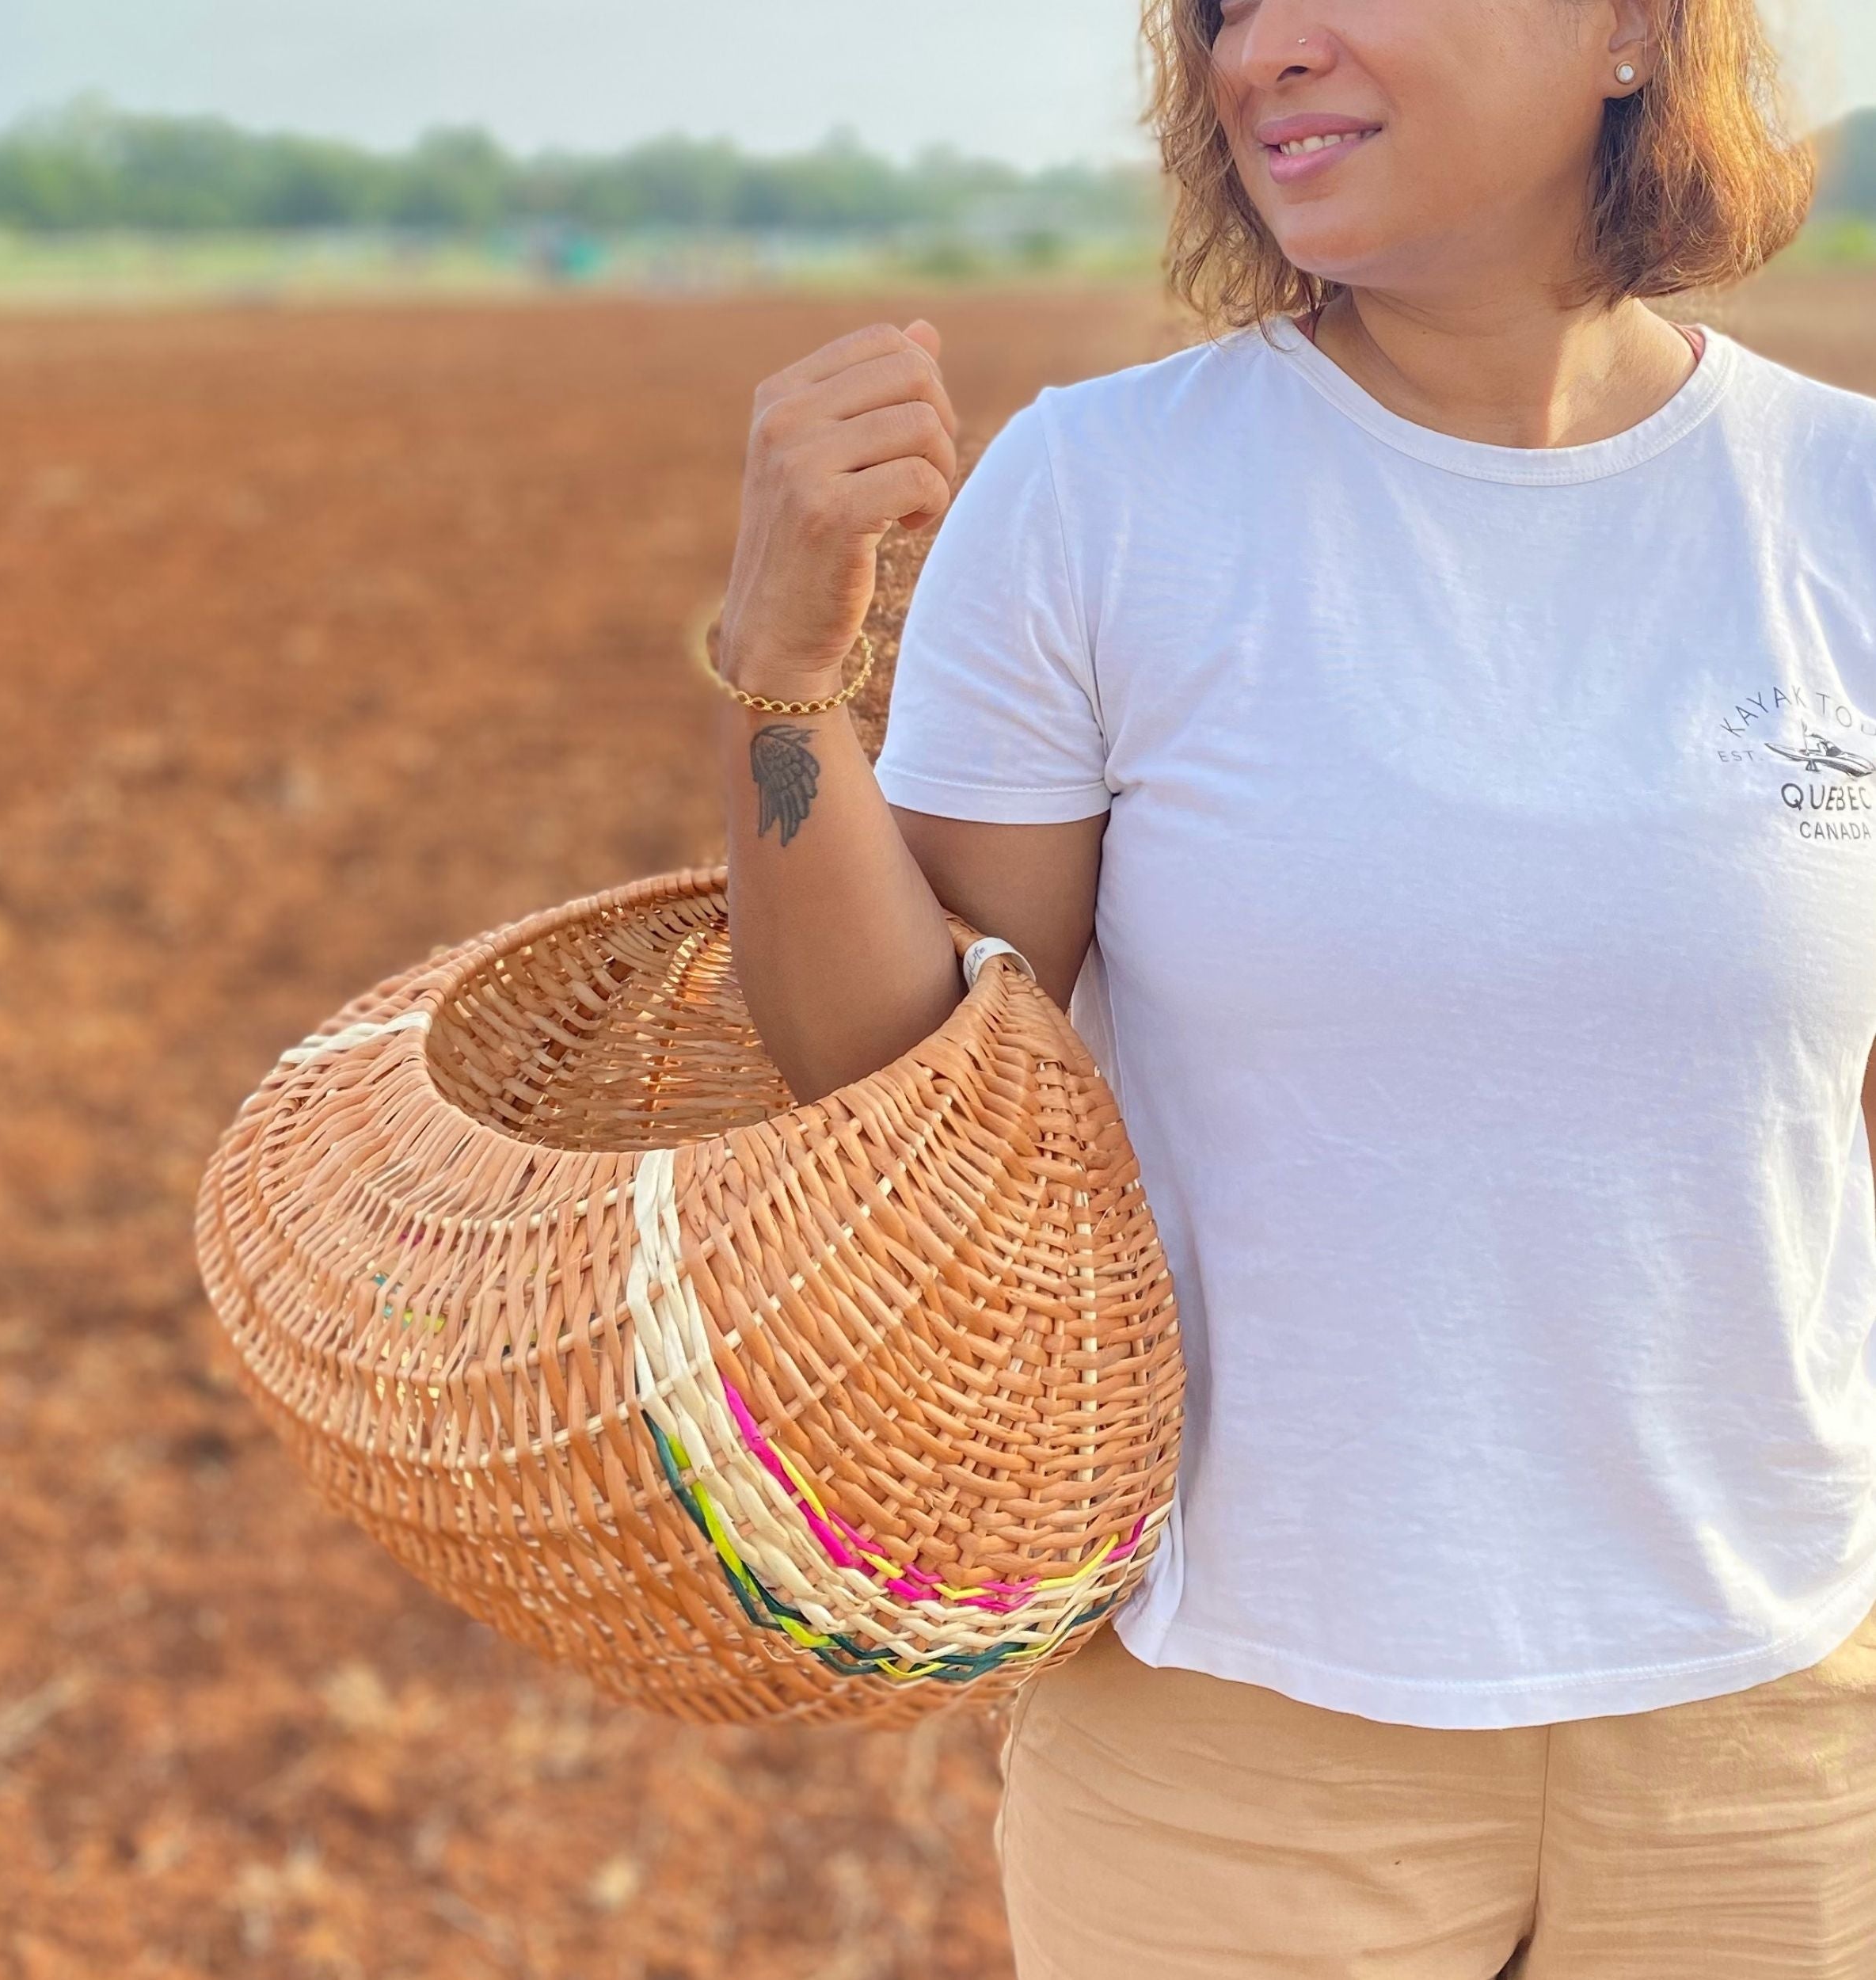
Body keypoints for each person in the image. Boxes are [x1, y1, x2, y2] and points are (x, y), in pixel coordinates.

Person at [705, 0, 1876, 1972]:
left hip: (1768, 1731)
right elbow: (892, 1065)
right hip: (1227, 1726)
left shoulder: (1840, 504)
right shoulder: (1099, 490)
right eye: (1229, 6)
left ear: (1624, 35)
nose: (1261, 51)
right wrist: (783, 668)